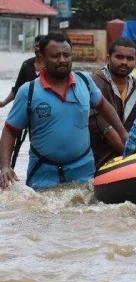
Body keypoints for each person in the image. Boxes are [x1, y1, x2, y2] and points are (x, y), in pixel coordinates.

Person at [0, 33, 128, 190]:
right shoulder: (29, 91)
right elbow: (10, 130)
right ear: (42, 57)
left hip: (83, 172)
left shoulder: (85, 82)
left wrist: (123, 134)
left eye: (66, 55)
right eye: (55, 56)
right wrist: (5, 166)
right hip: (43, 174)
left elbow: (105, 107)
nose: (62, 60)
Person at [89, 38, 136, 169]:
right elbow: (101, 125)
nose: (124, 62)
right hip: (99, 159)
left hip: (131, 160)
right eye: (119, 57)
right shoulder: (93, 83)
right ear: (108, 57)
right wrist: (131, 158)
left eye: (129, 58)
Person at [0, 35, 44, 168]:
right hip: (25, 111)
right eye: (35, 45)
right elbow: (17, 89)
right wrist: (3, 103)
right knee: (14, 140)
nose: (37, 48)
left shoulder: (51, 65)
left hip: (43, 112)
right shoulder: (26, 65)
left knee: (37, 142)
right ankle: (8, 169)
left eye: (40, 45)